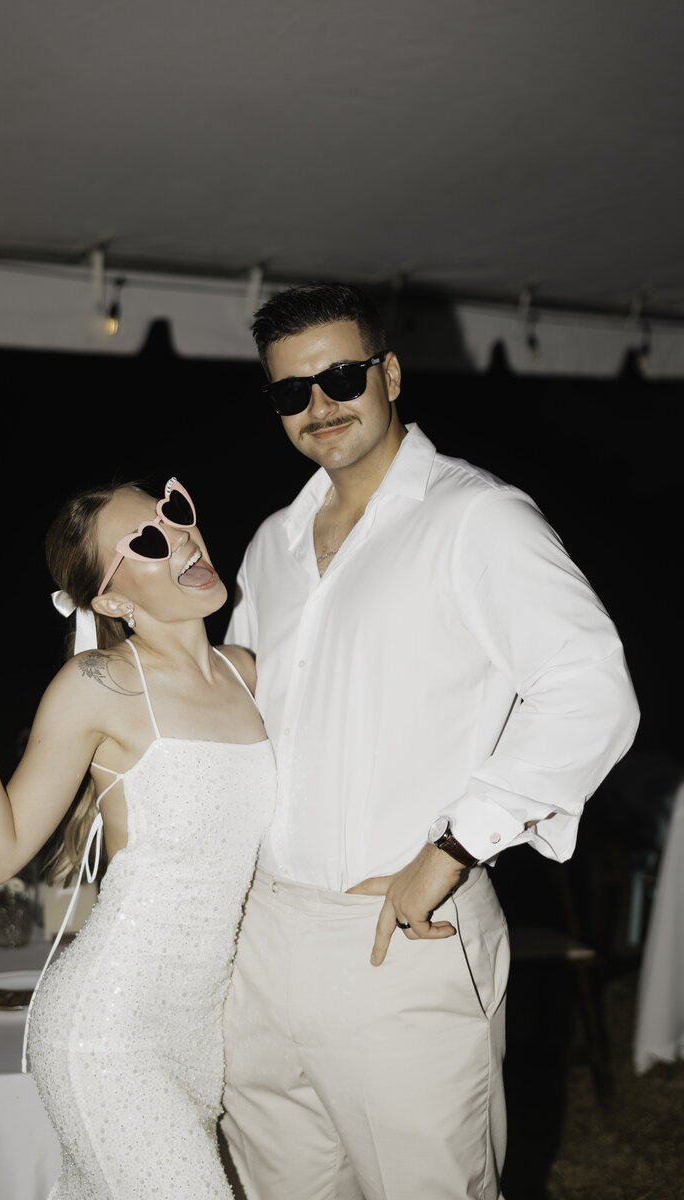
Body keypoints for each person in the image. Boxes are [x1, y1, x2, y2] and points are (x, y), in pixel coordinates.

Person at [220, 283, 640, 1200]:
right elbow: (235, 718)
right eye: (292, 391)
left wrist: (455, 847)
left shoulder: (474, 516)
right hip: (260, 940)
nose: (319, 406)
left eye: (340, 376)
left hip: (398, 936)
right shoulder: (270, 546)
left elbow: (590, 688)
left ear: (391, 373)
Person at [0, 476, 276, 1200]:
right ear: (110, 600)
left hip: (200, 1040)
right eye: (147, 541)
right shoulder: (98, 682)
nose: (180, 537)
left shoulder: (250, 674)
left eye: (176, 513)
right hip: (108, 1033)